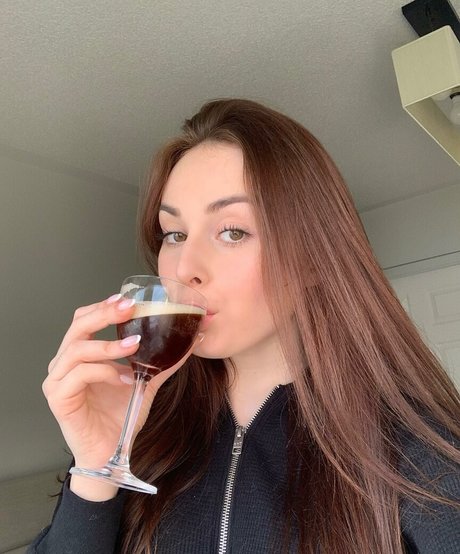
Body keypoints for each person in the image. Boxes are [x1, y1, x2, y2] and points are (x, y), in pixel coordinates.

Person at [29, 98, 459, 554]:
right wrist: (95, 467)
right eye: (174, 234)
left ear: (313, 259)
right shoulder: (145, 428)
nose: (185, 268)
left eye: (232, 231)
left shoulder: (413, 448)